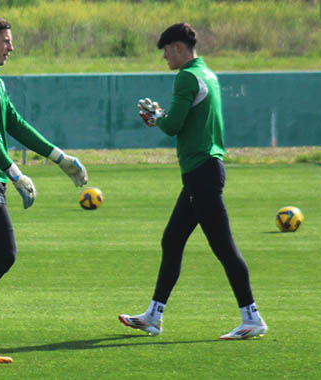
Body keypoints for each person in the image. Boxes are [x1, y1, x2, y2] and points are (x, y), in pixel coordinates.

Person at [0, 16, 88, 366]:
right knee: (4, 254)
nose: (12, 46)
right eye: (6, 41)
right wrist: (15, 172)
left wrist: (59, 157)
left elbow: (15, 124)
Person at [118, 23, 267, 340]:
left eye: (166, 52)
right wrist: (163, 115)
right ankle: (154, 316)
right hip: (204, 171)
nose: (165, 59)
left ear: (177, 48)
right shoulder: (207, 74)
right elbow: (185, 120)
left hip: (202, 173)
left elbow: (173, 126)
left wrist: (156, 117)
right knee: (171, 240)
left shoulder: (186, 76)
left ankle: (252, 317)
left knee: (224, 248)